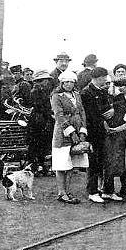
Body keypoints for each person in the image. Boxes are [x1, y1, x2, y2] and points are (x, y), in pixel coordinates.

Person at [80, 67, 117, 203]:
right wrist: (103, 122)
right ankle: (93, 191)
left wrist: (112, 110)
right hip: (93, 132)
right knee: (93, 162)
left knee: (107, 161)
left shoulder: (102, 90)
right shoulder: (86, 92)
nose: (106, 80)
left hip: (104, 131)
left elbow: (108, 107)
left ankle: (108, 191)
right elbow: (89, 114)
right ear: (98, 77)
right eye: (104, 77)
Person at [51, 70, 88, 204]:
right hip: (62, 133)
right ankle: (61, 192)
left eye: (71, 82)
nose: (68, 84)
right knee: (62, 163)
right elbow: (58, 115)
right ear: (61, 82)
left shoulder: (77, 95)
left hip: (78, 131)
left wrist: (82, 131)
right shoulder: (56, 96)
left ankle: (67, 190)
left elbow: (82, 111)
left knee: (72, 164)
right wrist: (71, 132)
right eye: (66, 82)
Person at [105, 76, 126, 198]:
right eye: (119, 86)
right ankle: (123, 186)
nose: (121, 88)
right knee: (120, 159)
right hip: (121, 131)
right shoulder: (117, 99)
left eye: (123, 86)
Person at [27, 70, 55, 174]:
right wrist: (50, 113)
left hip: (42, 119)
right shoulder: (35, 91)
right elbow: (39, 106)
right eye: (45, 80)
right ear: (40, 81)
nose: (47, 82)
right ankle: (35, 166)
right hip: (37, 120)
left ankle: (41, 165)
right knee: (36, 143)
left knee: (41, 143)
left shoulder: (43, 90)